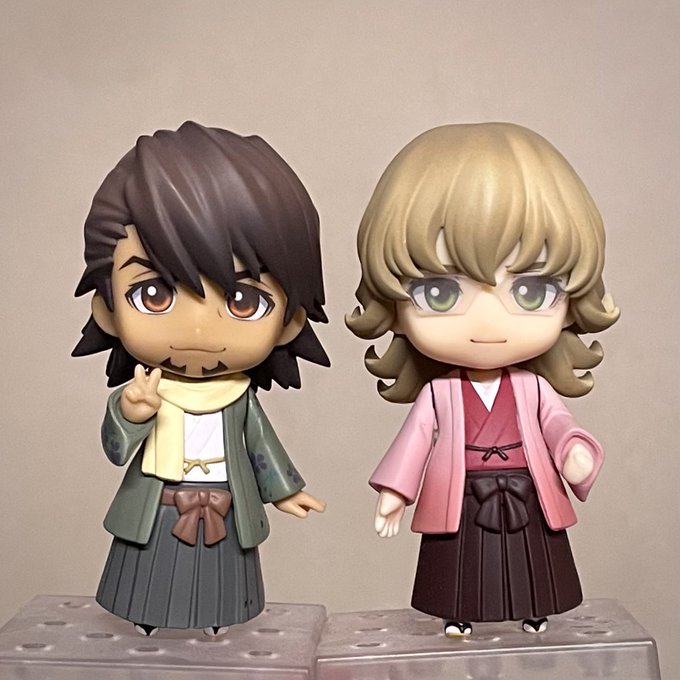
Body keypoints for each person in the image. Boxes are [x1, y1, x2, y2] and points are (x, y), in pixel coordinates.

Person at [346, 122, 619, 636]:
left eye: (532, 291)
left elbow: (557, 424)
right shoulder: (440, 393)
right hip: (461, 490)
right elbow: (413, 443)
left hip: (525, 487)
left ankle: (535, 609)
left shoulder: (532, 388)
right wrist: (396, 491)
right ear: (393, 307)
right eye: (439, 292)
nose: (488, 321)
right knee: (460, 564)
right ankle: (458, 614)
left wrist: (573, 452)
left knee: (531, 561)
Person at [73, 121, 329, 636]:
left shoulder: (238, 397)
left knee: (221, 583)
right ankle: (144, 621)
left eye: (244, 301)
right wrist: (132, 413)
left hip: (226, 503)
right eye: (153, 294)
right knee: (146, 575)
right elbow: (117, 450)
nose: (197, 329)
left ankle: (218, 622)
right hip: (156, 506)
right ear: (107, 309)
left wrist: (285, 490)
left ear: (290, 322)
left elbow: (262, 448)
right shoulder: (147, 391)